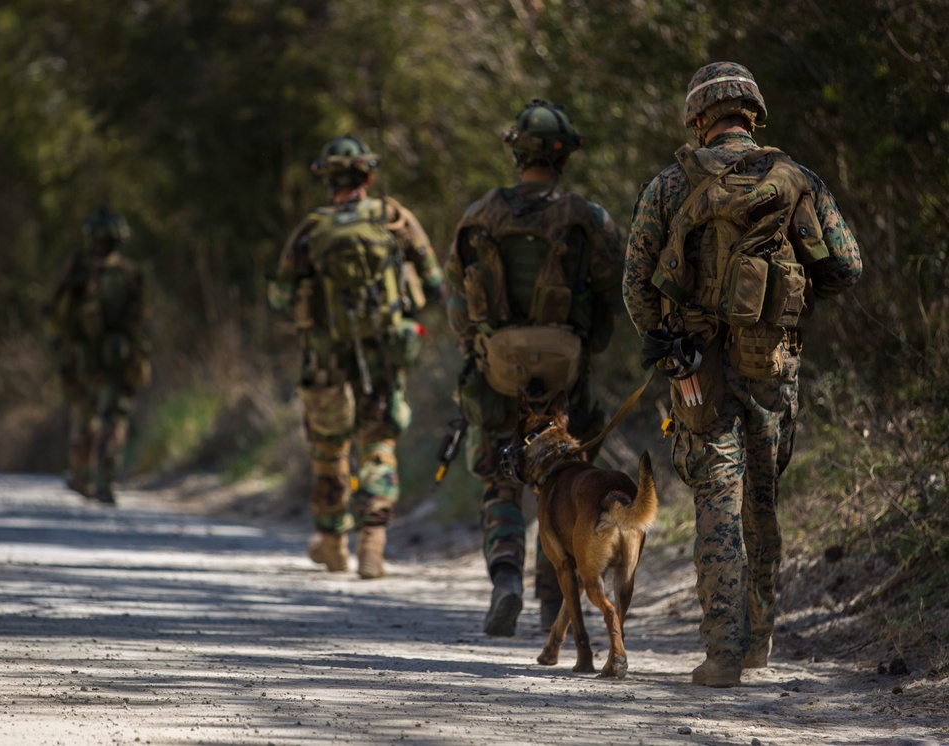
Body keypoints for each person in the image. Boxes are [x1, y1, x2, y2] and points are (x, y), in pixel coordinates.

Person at [623, 62, 863, 687]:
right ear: (752, 114)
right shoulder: (796, 179)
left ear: (698, 119)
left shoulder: (670, 186)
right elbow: (847, 267)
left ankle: (723, 654)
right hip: (771, 362)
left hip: (696, 365)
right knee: (762, 497)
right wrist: (791, 293)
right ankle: (758, 644)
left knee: (716, 500)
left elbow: (636, 282)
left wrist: (665, 341)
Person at [444, 100, 624, 636]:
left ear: (517, 153)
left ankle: (505, 581)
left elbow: (456, 300)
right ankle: (554, 604)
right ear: (564, 157)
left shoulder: (480, 216)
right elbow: (612, 295)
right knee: (563, 487)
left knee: (502, 483)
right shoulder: (587, 218)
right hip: (569, 381)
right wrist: (585, 347)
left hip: (498, 376)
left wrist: (478, 350)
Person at [268, 135, 444, 580]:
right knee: (377, 447)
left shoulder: (312, 229)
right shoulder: (393, 216)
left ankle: (331, 544)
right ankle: (372, 545)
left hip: (325, 360)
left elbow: (280, 296)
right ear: (368, 176)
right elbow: (435, 282)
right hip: (383, 355)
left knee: (329, 451)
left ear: (327, 179)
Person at [43, 206, 151, 506]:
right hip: (109, 357)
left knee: (87, 418)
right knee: (109, 419)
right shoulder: (128, 273)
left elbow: (54, 312)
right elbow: (139, 319)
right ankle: (101, 481)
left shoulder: (79, 269)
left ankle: (85, 478)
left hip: (89, 358)